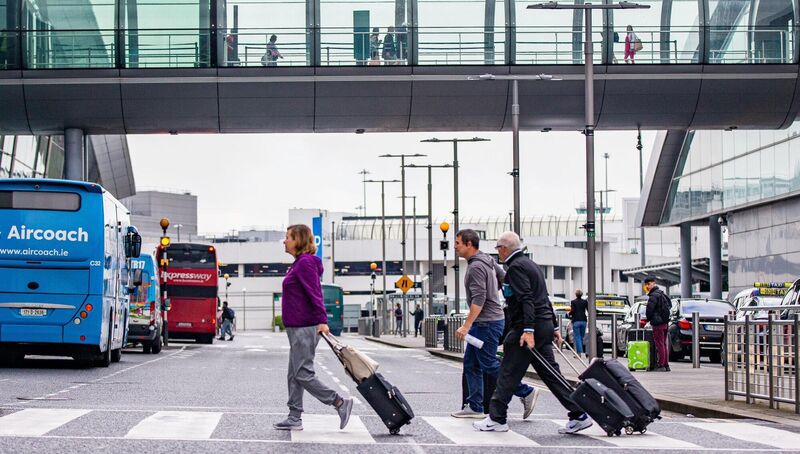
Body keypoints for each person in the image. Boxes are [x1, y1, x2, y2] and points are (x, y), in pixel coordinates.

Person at [474, 231, 591, 435]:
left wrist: (528, 330)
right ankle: (579, 414)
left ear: (504, 248)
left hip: (527, 329)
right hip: (542, 326)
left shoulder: (515, 268)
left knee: (508, 373)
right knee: (551, 375)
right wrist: (553, 326)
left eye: (498, 248)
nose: (497, 252)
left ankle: (497, 418)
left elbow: (527, 299)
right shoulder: (531, 264)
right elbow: (543, 297)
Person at [452, 229, 540, 420]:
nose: (455, 246)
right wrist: (499, 294)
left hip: (487, 323)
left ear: (469, 244)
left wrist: (466, 326)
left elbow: (479, 298)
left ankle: (526, 391)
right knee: (471, 363)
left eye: (458, 243)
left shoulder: (476, 267)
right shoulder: (487, 260)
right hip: (488, 321)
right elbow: (505, 278)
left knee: (489, 363)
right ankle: (474, 406)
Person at [273, 224, 353, 431]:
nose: (284, 241)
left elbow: (315, 293)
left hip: (304, 327)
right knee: (294, 374)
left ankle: (339, 402)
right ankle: (294, 417)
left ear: (298, 240)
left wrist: (322, 320)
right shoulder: (299, 263)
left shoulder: (305, 263)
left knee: (302, 373)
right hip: (297, 327)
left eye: (288, 237)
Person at [644, 278, 672, 372]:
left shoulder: (653, 296)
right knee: (663, 344)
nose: (647, 286)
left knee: (659, 344)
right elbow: (670, 305)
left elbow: (649, 310)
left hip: (657, 323)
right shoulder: (662, 294)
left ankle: (661, 365)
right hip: (665, 322)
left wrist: (649, 318)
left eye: (648, 284)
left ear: (653, 284)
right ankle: (666, 365)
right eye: (646, 285)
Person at [569, 289, 587, 357]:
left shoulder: (573, 302)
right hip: (584, 320)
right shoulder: (585, 302)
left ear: (576, 295)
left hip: (576, 320)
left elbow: (573, 311)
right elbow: (588, 309)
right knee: (581, 337)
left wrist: (569, 313)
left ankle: (579, 353)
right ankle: (581, 351)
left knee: (577, 337)